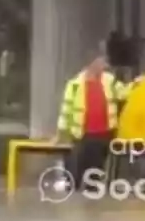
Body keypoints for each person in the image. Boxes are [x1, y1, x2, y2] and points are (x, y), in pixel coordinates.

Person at [53, 50, 131, 188]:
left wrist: (136, 84)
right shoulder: (75, 85)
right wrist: (60, 134)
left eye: (104, 63)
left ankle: (92, 198)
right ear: (91, 63)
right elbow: (66, 111)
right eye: (101, 62)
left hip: (104, 134)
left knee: (96, 170)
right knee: (76, 170)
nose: (104, 66)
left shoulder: (109, 81)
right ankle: (73, 194)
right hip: (82, 134)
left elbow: (123, 93)